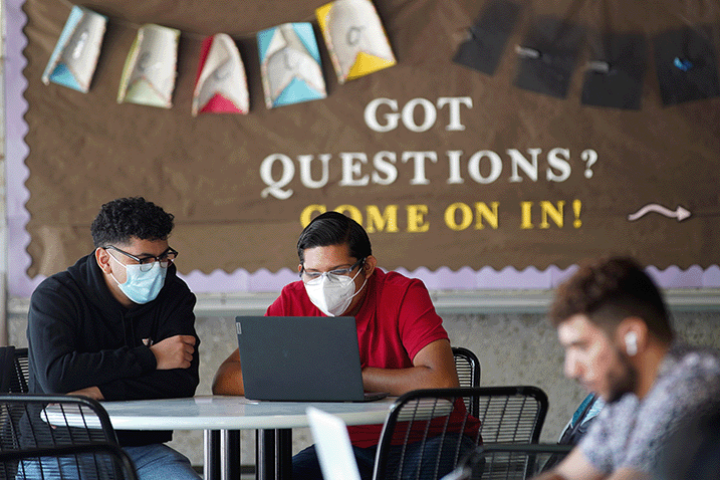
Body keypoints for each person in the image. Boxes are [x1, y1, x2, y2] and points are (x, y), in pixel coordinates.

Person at [213, 211, 479, 480]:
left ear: (368, 266)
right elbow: (226, 378)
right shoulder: (294, 301)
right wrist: (307, 378)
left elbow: (442, 382)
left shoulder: (404, 294)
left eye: (338, 271)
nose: (324, 284)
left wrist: (350, 376)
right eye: (313, 274)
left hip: (432, 438)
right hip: (347, 446)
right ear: (300, 272)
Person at [25, 197, 201, 480]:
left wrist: (97, 393)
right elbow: (58, 378)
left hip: (139, 448)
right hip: (58, 448)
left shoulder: (174, 293)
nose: (157, 268)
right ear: (105, 259)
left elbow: (182, 381)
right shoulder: (56, 296)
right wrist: (153, 357)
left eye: (164, 257)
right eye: (143, 260)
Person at [534, 256, 720, 480]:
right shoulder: (626, 397)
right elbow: (566, 474)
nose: (571, 370)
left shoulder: (695, 386)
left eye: (581, 347)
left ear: (632, 336)